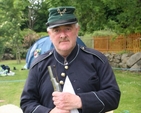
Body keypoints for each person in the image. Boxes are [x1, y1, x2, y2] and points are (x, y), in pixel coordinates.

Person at [20, 6, 121, 113]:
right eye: (57, 30)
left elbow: (113, 96)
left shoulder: (97, 60)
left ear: (77, 30)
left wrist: (80, 101)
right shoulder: (39, 64)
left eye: (68, 29)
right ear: (50, 34)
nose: (63, 35)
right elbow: (27, 103)